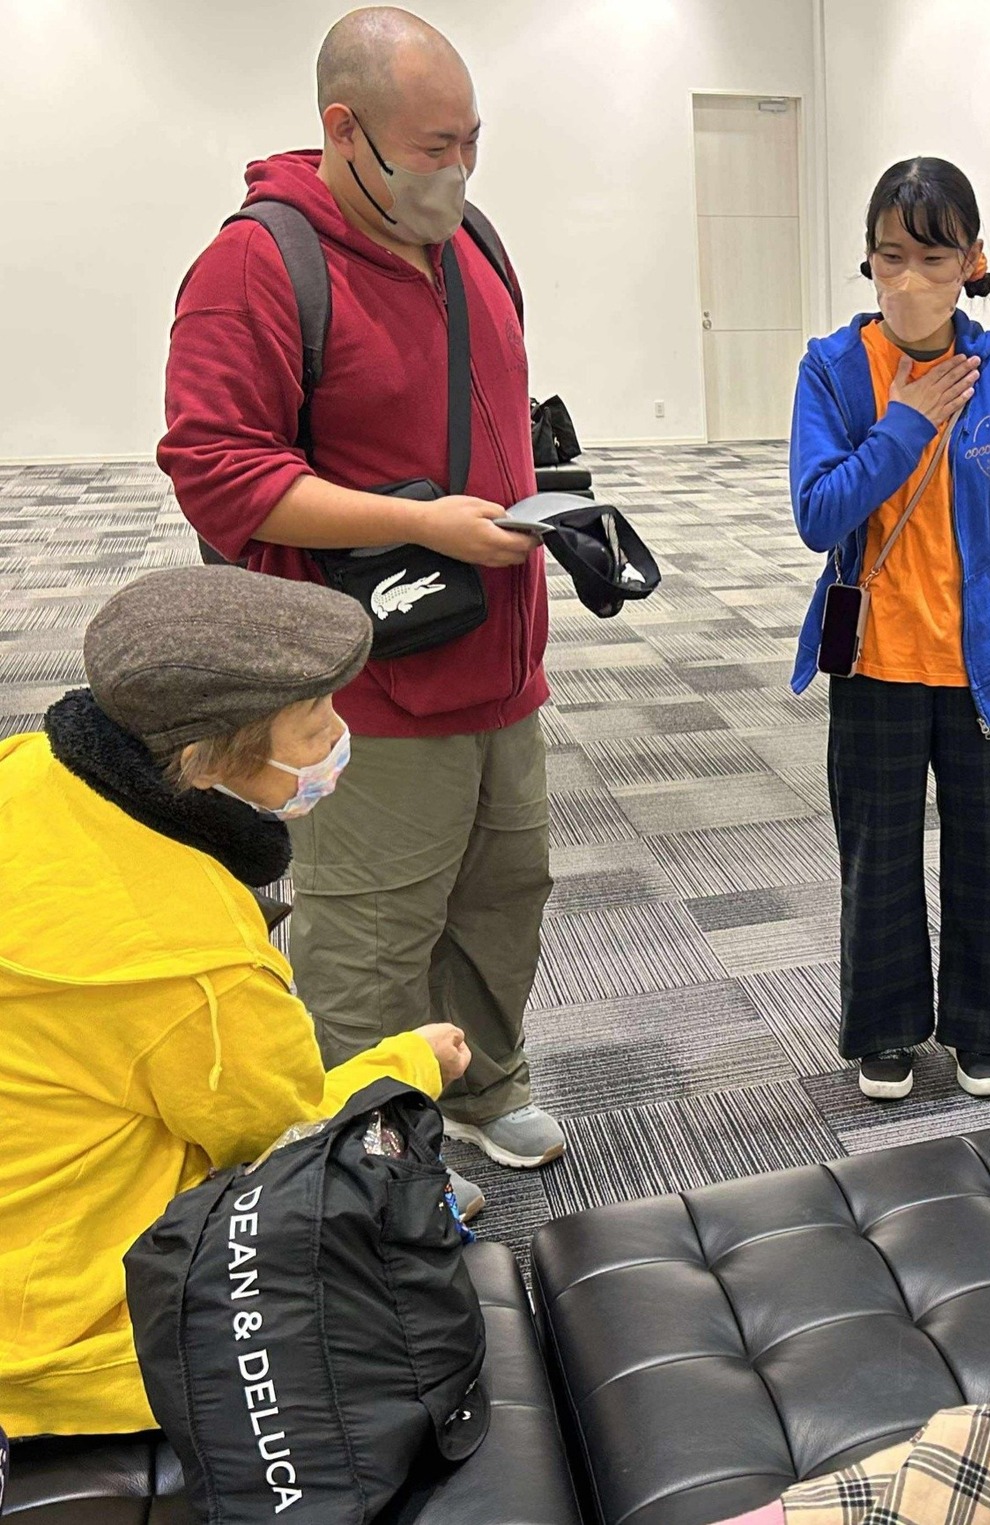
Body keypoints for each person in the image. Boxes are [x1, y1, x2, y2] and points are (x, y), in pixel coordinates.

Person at [157, 7, 558, 1217]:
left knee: (503, 894)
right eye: (434, 146)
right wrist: (420, 524)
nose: (459, 168)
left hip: (499, 658)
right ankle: (370, 1157)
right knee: (370, 931)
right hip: (363, 682)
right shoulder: (257, 264)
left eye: (472, 140)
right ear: (345, 129)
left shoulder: (470, 239)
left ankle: (481, 1085)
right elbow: (216, 470)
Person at [0, 566, 471, 1438]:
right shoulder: (198, 971)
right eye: (314, 724)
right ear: (208, 758)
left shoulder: (28, 772)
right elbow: (286, 1133)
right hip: (72, 1339)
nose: (340, 736)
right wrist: (415, 1062)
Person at [789, 157, 990, 1102]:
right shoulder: (834, 369)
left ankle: (984, 1027)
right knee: (878, 855)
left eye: (933, 258)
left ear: (972, 261)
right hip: (875, 658)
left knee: (987, 852)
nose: (909, 279)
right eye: (890, 256)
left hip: (981, 661)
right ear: (867, 260)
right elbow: (819, 513)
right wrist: (905, 421)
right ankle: (887, 1028)